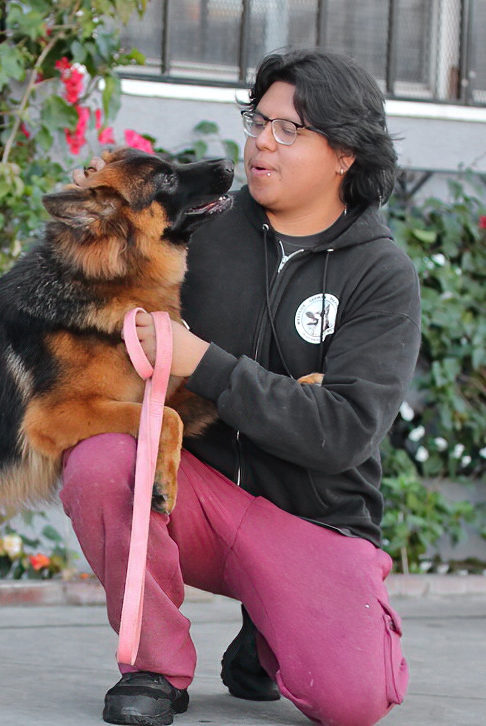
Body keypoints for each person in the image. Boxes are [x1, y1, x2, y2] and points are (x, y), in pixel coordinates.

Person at [60, 48, 421, 726]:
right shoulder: (199, 228)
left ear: (345, 154)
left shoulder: (381, 275)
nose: (262, 141)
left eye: (290, 129)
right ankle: (155, 668)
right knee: (102, 460)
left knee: (353, 702)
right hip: (197, 495)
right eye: (259, 120)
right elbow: (100, 308)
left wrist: (204, 362)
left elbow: (343, 431)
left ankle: (269, 628)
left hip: (313, 521)